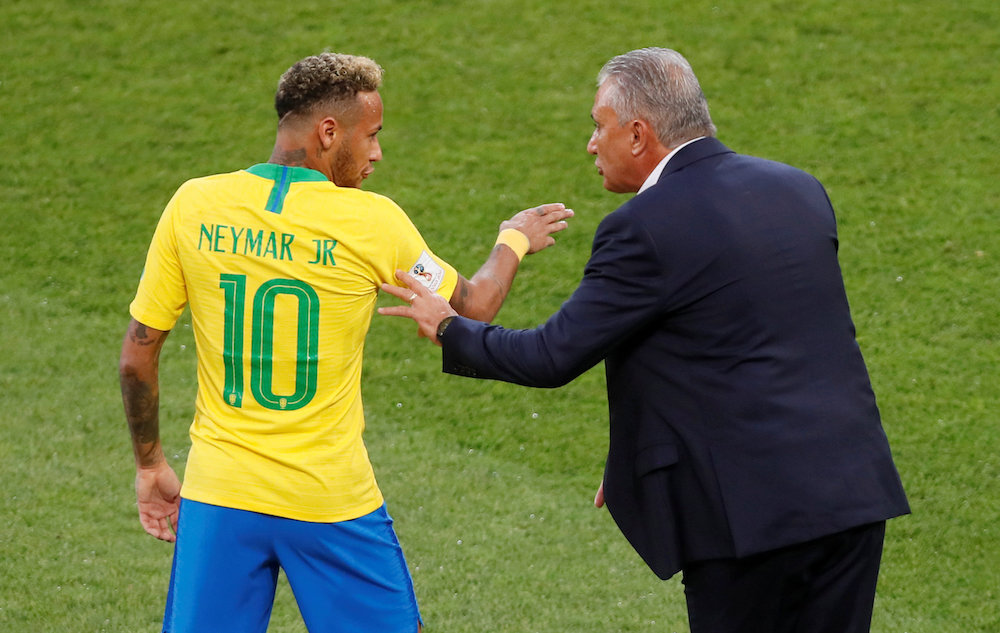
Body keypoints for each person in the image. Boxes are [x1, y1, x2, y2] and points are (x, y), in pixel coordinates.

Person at [379, 47, 909, 633]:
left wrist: (450, 327)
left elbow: (552, 356)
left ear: (638, 135)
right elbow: (746, 338)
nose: (590, 144)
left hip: (750, 520)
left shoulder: (643, 226)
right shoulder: (798, 189)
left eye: (597, 126)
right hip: (852, 494)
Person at [118, 52, 572, 633]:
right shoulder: (370, 223)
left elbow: (138, 354)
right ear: (328, 133)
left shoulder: (193, 205)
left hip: (219, 497)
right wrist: (515, 238)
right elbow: (475, 305)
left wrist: (150, 463)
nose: (378, 153)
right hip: (329, 501)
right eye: (373, 135)